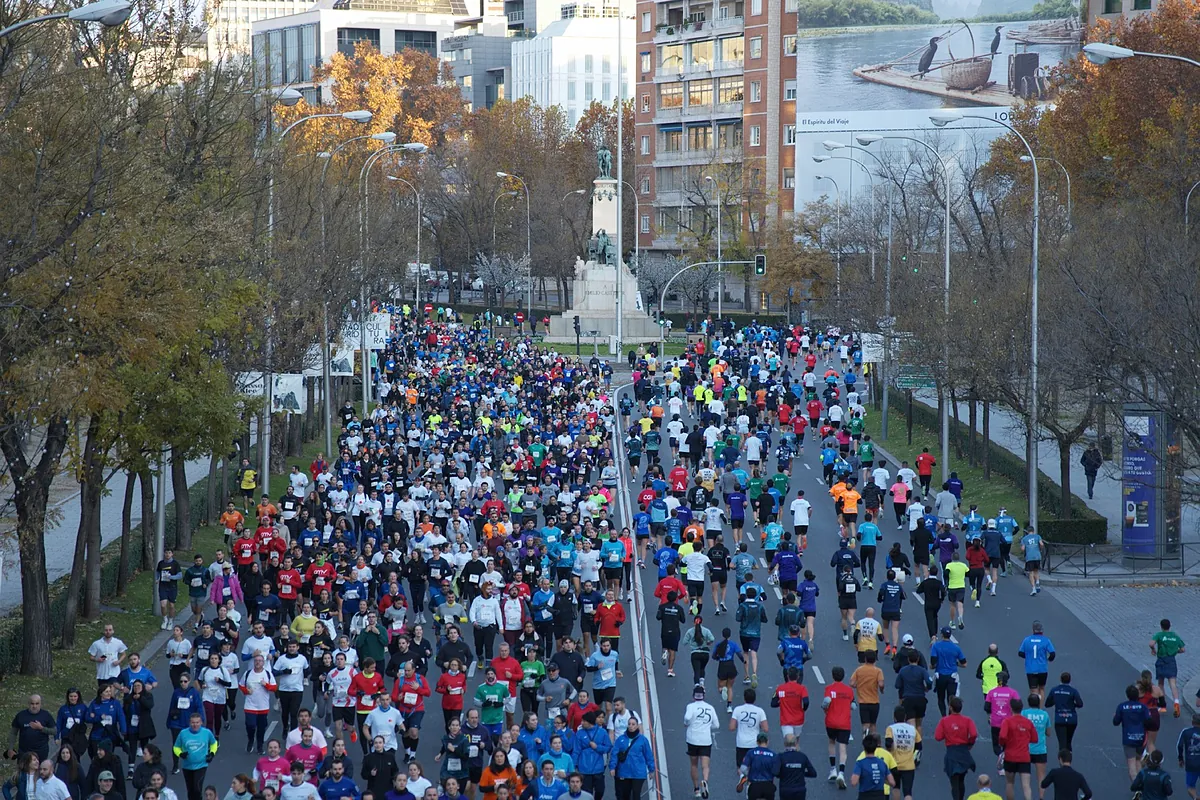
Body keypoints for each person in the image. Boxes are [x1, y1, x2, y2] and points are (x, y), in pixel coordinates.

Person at [935, 696, 978, 800]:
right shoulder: (968, 720)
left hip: (951, 752)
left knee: (954, 783)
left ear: (950, 707)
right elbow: (973, 734)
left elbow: (938, 737)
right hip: (963, 752)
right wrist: (970, 744)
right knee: (961, 780)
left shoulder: (944, 721)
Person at [997, 697, 1037, 800]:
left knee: (1010, 783)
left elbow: (1002, 736)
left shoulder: (1007, 721)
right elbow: (1034, 739)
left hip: (1010, 756)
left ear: (1011, 708)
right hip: (1024, 757)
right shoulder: (1028, 722)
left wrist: (1003, 744)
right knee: (1026, 785)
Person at [173, 713, 218, 800]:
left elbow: (214, 743)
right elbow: (176, 747)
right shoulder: (183, 733)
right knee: (190, 790)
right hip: (187, 766)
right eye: (193, 722)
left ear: (201, 722)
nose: (195, 725)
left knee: (197, 788)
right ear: (189, 723)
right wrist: (180, 754)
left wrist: (212, 753)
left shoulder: (207, 733)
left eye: (197, 722)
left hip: (201, 765)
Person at [683, 684, 718, 799]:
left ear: (694, 696)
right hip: (705, 739)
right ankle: (705, 781)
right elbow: (716, 725)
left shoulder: (691, 706)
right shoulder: (710, 708)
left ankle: (696, 789)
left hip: (693, 739)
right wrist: (707, 726)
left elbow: (687, 718)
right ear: (704, 696)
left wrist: (687, 723)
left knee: (694, 764)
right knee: (705, 765)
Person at [822, 666, 854, 788]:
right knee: (843, 747)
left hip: (831, 721)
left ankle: (832, 770)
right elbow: (853, 705)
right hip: (844, 722)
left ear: (832, 676)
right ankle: (841, 773)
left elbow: (826, 703)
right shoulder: (849, 690)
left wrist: (825, 710)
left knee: (831, 742)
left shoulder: (829, 689)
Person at [609, 717, 653, 800]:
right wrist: (612, 767)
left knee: (636, 795)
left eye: (633, 724)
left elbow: (648, 755)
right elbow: (614, 754)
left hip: (638, 773)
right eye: (629, 724)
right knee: (625, 796)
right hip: (624, 772)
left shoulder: (643, 740)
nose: (631, 726)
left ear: (637, 726)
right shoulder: (620, 739)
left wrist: (651, 769)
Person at [1152, 618, 1186, 718]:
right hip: (1171, 661)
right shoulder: (1175, 636)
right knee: (1173, 684)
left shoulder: (1159, 635)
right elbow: (1183, 649)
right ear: (1169, 626)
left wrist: (1153, 649)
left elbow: (1151, 643)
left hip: (1161, 661)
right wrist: (1176, 651)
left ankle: (1162, 705)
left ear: (1161, 626)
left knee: (1161, 683)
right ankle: (1176, 703)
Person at [7, 695, 55, 763]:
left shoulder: (46, 715)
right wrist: (10, 748)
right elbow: (13, 733)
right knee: (22, 769)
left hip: (41, 752)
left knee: (39, 769)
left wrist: (41, 728)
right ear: (28, 704)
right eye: (32, 703)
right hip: (24, 752)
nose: (34, 706)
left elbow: (54, 731)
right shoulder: (21, 715)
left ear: (40, 704)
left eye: (37, 703)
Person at [884, 707, 919, 800]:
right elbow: (919, 745)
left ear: (894, 718)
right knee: (908, 793)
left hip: (894, 765)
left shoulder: (891, 729)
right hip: (909, 765)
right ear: (905, 717)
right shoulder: (912, 729)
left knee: (896, 788)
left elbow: (888, 743)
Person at [729, 689, 769, 771]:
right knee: (753, 766)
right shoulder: (760, 711)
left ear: (744, 698)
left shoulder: (737, 709)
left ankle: (742, 777)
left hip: (741, 743)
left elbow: (731, 727)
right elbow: (766, 729)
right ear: (755, 699)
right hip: (754, 743)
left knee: (740, 766)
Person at [1017, 622, 1054, 701]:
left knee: (1033, 690)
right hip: (1042, 668)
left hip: (1031, 669)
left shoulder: (1027, 640)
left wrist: (1028, 657)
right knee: (1041, 688)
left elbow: (1020, 653)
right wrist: (1048, 659)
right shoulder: (1046, 640)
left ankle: (1034, 705)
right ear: (1042, 630)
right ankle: (1040, 706)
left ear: (1033, 630)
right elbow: (1052, 654)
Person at [849, 734, 895, 799]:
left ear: (864, 748)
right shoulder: (882, 763)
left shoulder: (860, 763)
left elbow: (854, 782)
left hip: (865, 796)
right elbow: (892, 782)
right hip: (880, 796)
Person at [1045, 673, 1082, 752]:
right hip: (1072, 719)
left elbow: (1047, 704)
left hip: (1060, 719)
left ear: (1060, 679)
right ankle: (1069, 756)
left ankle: (1063, 758)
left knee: (1062, 743)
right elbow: (1080, 704)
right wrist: (1073, 705)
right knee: (1068, 742)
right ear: (1070, 680)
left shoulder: (1054, 690)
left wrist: (1056, 702)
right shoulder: (1073, 691)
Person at [736, 732, 779, 800]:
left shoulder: (751, 752)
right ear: (767, 742)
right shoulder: (773, 755)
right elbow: (776, 771)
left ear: (757, 742)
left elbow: (743, 768)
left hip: (754, 785)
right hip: (768, 785)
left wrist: (749, 775)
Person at [776, 733, 817, 800]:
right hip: (800, 790)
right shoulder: (802, 756)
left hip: (785, 789)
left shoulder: (781, 757)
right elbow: (813, 773)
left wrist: (784, 773)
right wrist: (802, 772)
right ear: (796, 743)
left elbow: (776, 773)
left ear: (785, 744)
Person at [1017, 527, 1043, 596]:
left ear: (1027, 531)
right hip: (1037, 556)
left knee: (1031, 573)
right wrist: (1040, 549)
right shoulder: (1037, 536)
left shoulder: (1024, 539)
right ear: (1033, 531)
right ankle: (1037, 582)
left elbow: (1023, 549)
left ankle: (1033, 589)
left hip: (1029, 557)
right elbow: (1041, 544)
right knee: (1036, 571)